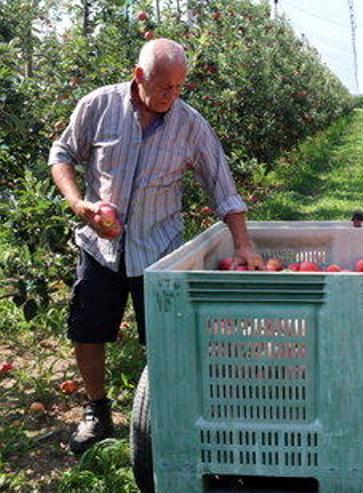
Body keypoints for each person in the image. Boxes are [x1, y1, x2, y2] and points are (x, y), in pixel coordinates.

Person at [49, 38, 262, 454]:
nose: (172, 95)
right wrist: (79, 204)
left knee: (167, 339)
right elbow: (62, 153)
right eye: (165, 86)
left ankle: (169, 414)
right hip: (100, 248)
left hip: (159, 252)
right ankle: (97, 410)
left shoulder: (190, 123)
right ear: (139, 76)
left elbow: (223, 187)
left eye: (180, 87)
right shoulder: (98, 106)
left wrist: (244, 245)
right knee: (87, 330)